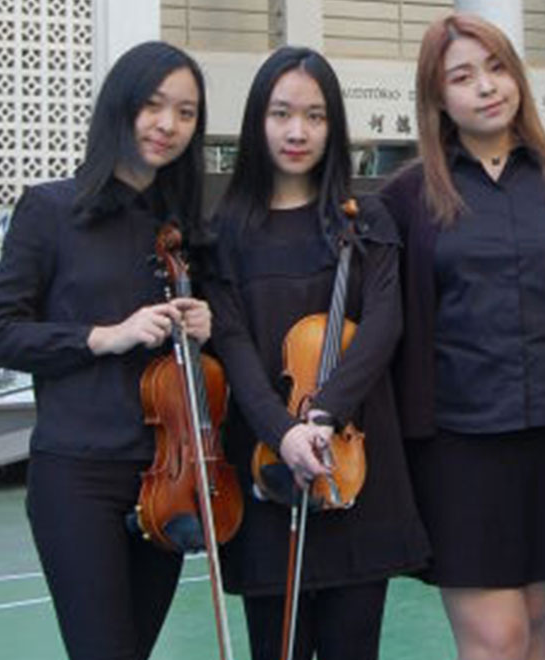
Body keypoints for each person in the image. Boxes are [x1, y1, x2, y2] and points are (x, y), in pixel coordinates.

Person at [379, 13, 545, 660]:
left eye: (497, 68)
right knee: (497, 639)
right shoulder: (407, 195)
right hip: (458, 448)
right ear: (437, 96)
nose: (486, 87)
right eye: (462, 76)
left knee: (533, 629)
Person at [204, 46, 429, 660]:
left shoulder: (366, 217)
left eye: (315, 115)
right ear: (258, 120)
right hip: (265, 466)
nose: (297, 131)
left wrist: (325, 415)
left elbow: (383, 325)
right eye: (281, 114)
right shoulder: (225, 233)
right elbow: (233, 345)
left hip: (353, 464)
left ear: (334, 127)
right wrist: (284, 434)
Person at [0, 41, 210, 660]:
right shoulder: (50, 210)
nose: (168, 125)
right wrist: (101, 336)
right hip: (77, 475)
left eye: (186, 113)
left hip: (167, 478)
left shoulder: (183, 229)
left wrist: (208, 322)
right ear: (120, 106)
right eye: (153, 105)